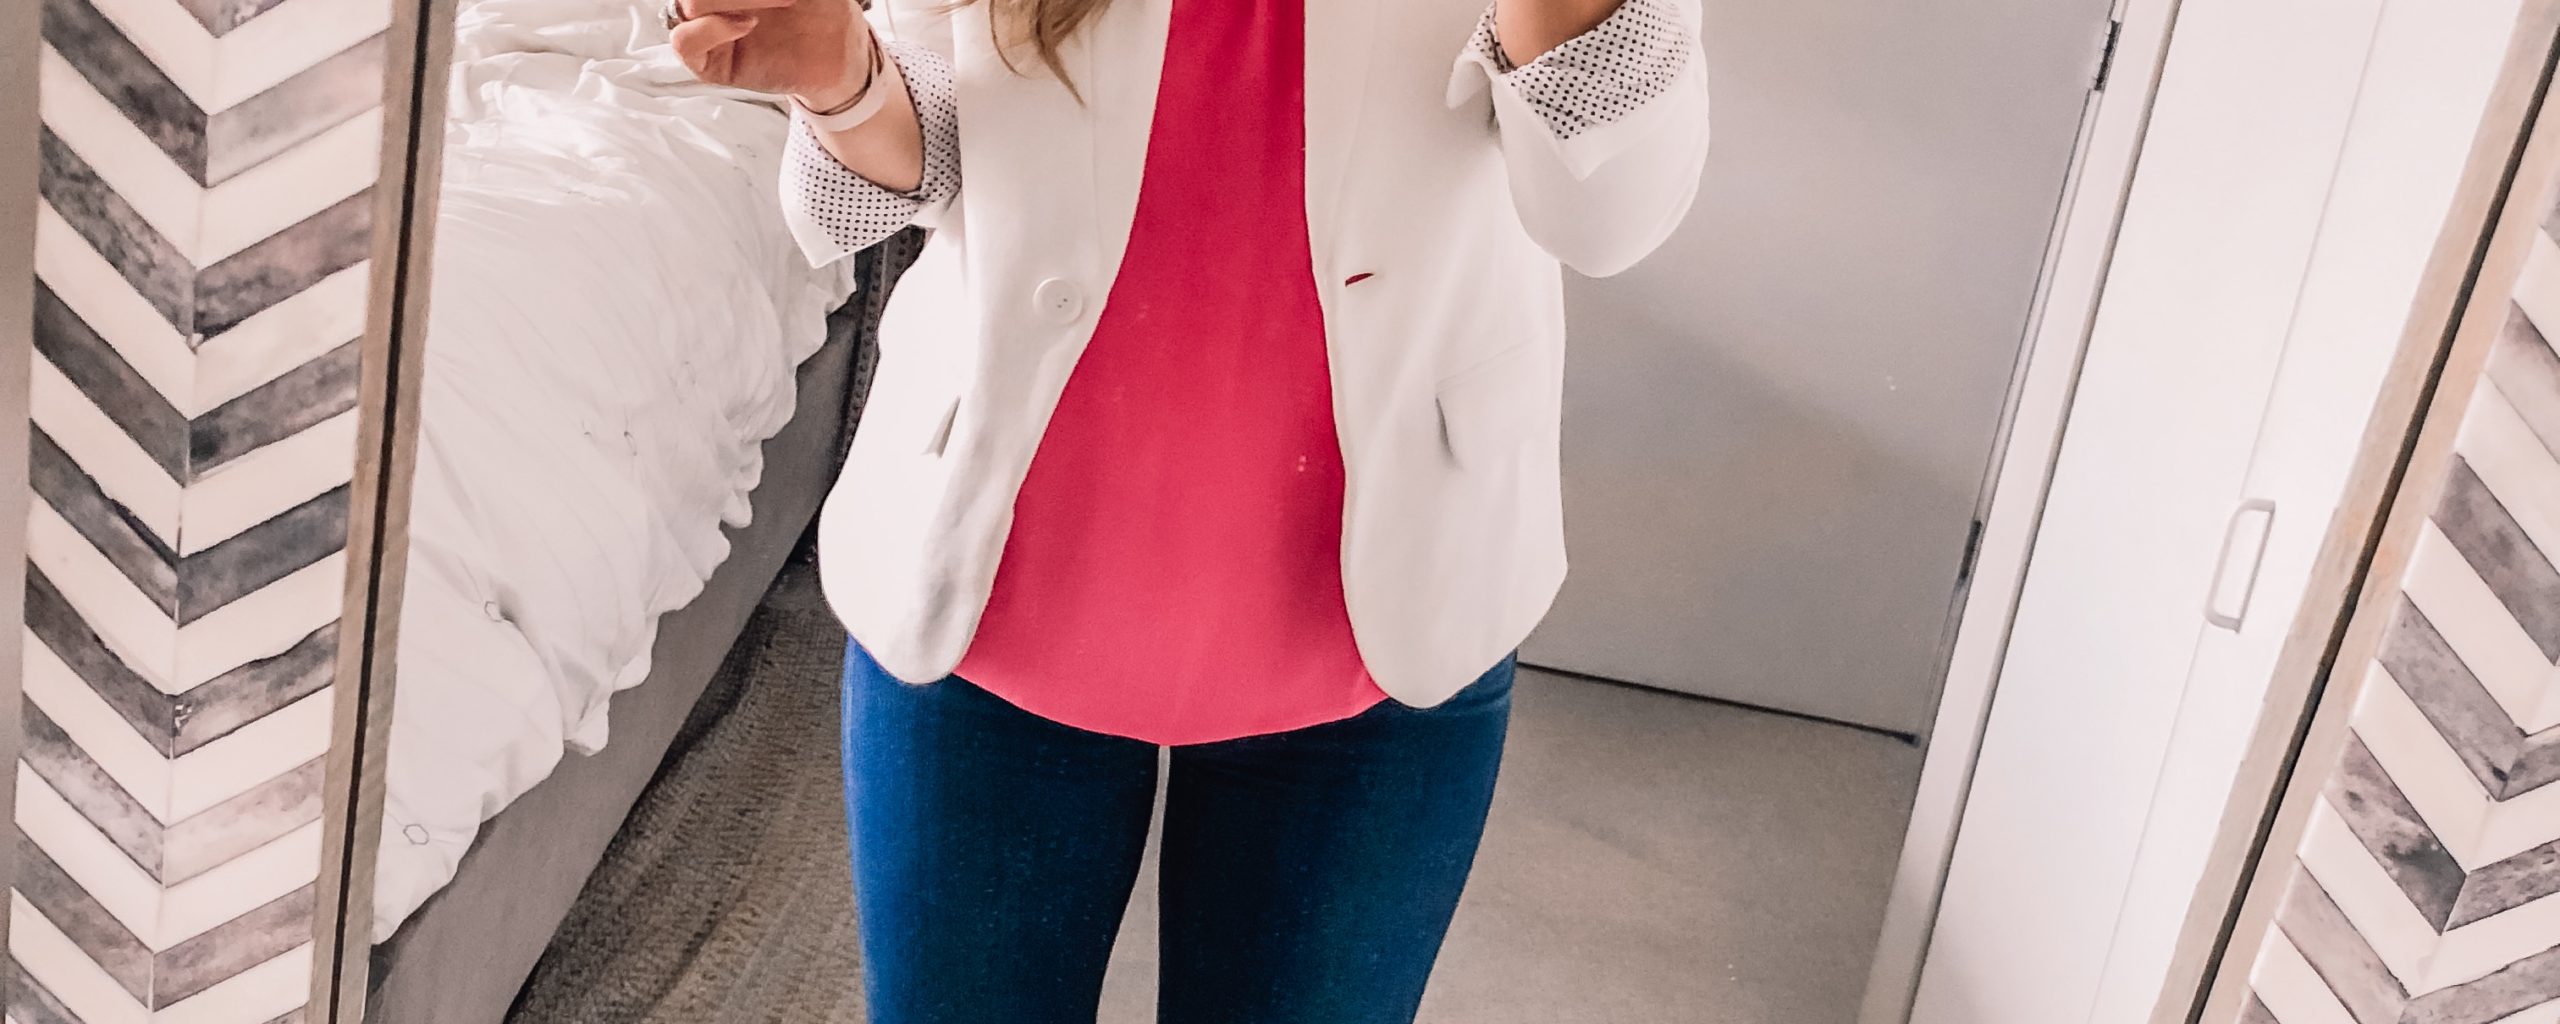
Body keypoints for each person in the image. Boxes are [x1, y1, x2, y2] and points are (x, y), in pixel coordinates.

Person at [669, 0, 1707, 1018]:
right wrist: (839, 83)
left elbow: (1605, 217)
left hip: (1385, 635)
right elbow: (939, 150)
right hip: (985, 605)